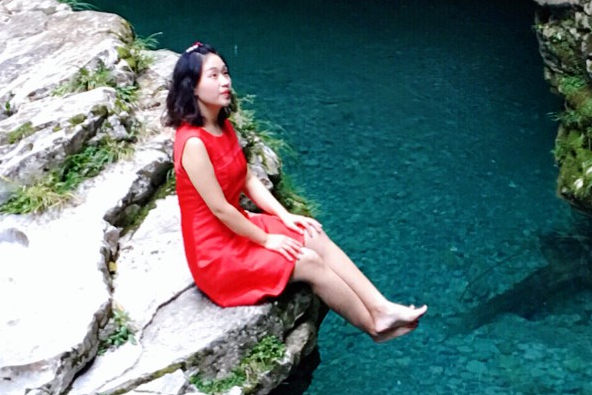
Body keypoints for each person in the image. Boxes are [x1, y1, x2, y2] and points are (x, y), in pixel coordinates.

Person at [166, 42, 426, 341]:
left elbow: (247, 178)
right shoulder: (193, 143)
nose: (225, 81)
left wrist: (284, 216)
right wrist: (267, 239)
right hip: (216, 255)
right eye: (213, 76)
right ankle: (373, 326)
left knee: (312, 234)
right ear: (192, 88)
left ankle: (382, 307)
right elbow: (220, 209)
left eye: (225, 72)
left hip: (237, 229)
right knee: (308, 262)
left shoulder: (223, 127)